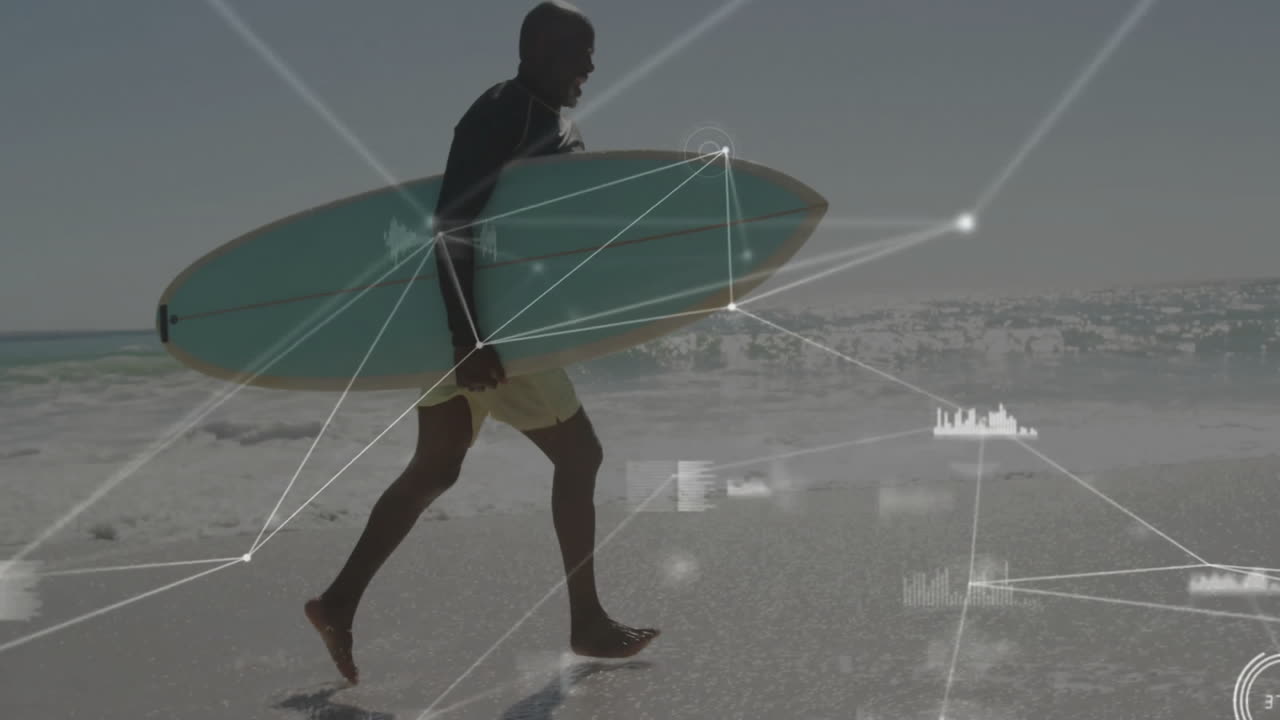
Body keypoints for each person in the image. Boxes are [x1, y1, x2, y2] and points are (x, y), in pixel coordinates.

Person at [305, 1, 659, 684]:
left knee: (436, 470)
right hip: (489, 328)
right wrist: (469, 339)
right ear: (534, 48)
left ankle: (339, 601)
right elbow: (451, 221)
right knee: (581, 455)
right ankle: (586, 621)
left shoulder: (548, 117)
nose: (589, 64)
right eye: (576, 50)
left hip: (474, 325)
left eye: (591, 52)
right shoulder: (504, 109)